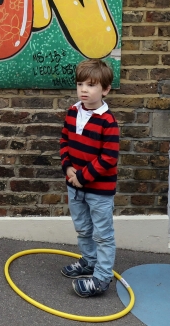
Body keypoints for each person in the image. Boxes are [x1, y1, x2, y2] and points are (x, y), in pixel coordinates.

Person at [58, 59, 120, 297]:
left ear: (105, 90)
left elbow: (109, 158)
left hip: (98, 191)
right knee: (83, 229)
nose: (83, 89)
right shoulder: (73, 112)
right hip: (74, 186)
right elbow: (64, 142)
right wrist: (68, 168)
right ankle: (88, 262)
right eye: (80, 84)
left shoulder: (108, 122)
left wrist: (83, 176)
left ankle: (102, 279)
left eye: (91, 85)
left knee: (103, 235)